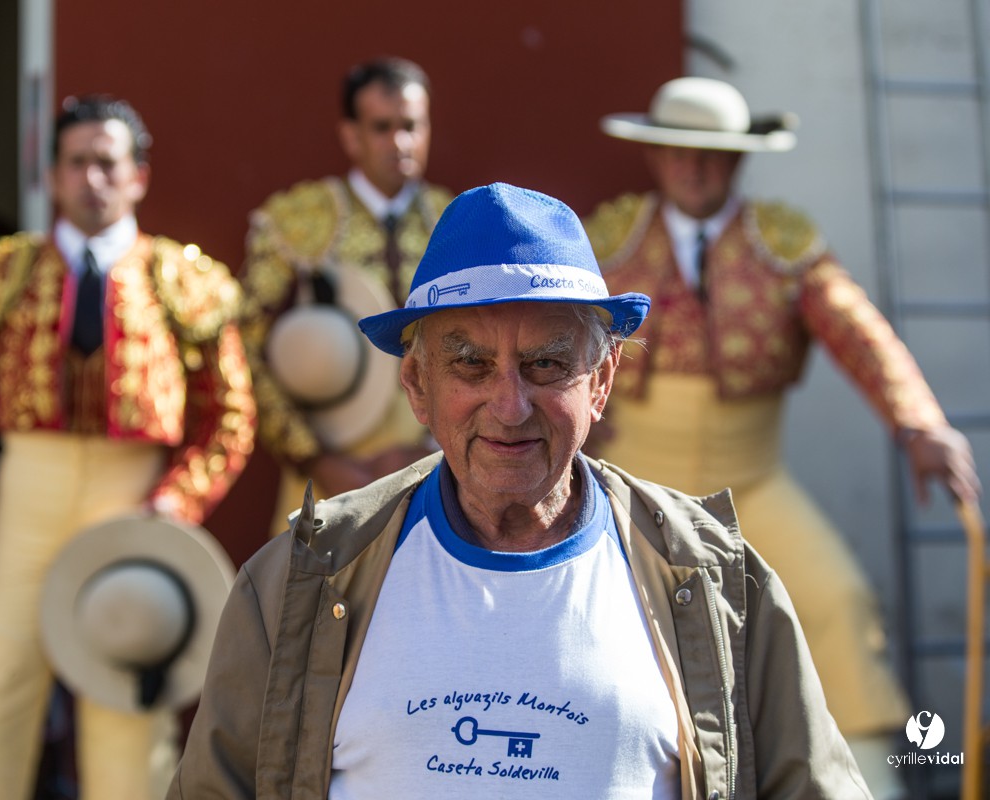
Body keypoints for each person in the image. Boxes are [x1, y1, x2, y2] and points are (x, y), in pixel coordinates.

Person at [168, 182, 871, 798]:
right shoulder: (300, 581)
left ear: (602, 381)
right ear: (417, 384)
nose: (509, 407)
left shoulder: (717, 583)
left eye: (547, 365)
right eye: (470, 365)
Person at [581, 76, 981, 798]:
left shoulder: (783, 242)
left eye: (712, 154)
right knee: (599, 621)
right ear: (655, 155)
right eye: (679, 151)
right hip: (631, 485)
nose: (694, 168)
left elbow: (858, 331)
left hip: (752, 485)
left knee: (835, 603)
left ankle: (867, 781)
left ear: (739, 160)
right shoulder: (610, 239)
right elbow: (554, 330)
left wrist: (918, 421)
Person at [0, 95, 255, 800]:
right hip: (25, 508)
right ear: (53, 176)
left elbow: (230, 415)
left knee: (128, 723)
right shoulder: (2, 276)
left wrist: (174, 504)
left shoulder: (181, 280)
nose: (92, 179)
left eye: (107, 163)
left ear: (138, 177)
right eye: (77, 163)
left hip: (133, 511)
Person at [241, 56, 452, 531]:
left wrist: (433, 449)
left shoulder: (454, 222)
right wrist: (313, 457)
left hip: (436, 468)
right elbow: (245, 344)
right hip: (326, 472)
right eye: (382, 127)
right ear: (351, 136)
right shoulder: (297, 221)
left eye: (411, 126)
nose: (400, 142)